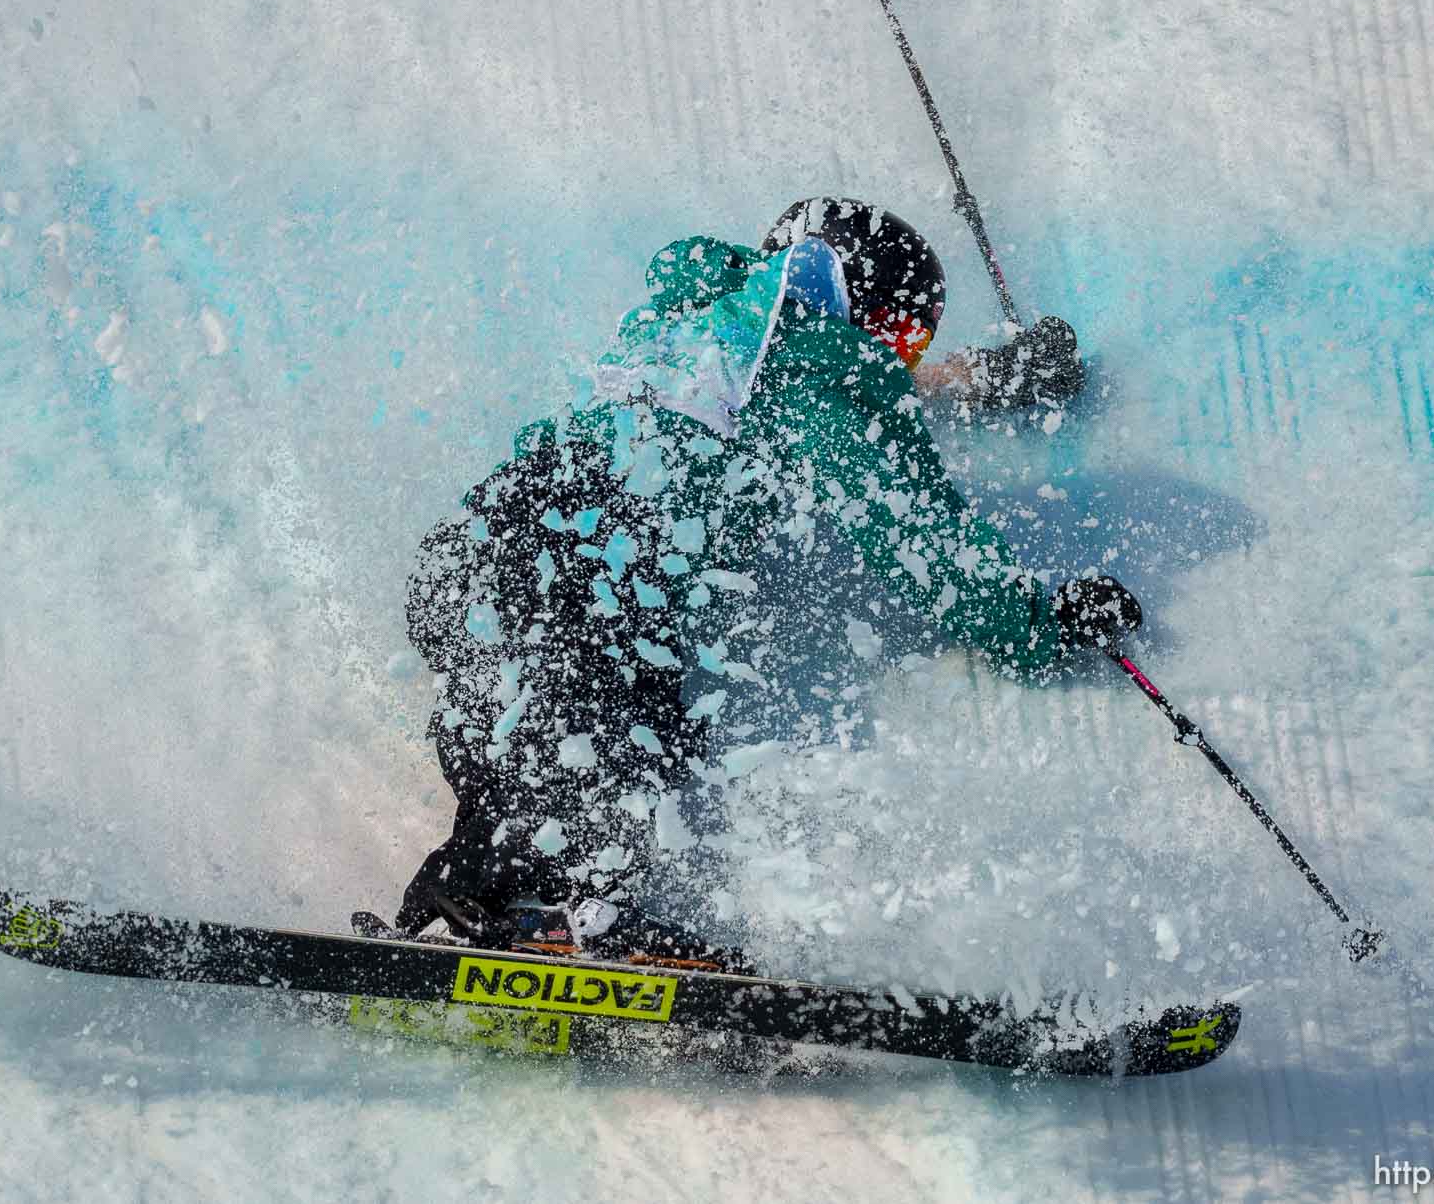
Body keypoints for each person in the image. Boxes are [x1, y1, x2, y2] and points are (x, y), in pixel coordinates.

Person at [388, 197, 1141, 965]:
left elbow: (818, 386)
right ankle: (566, 908)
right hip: (592, 570)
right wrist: (1036, 628)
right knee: (620, 734)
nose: (898, 360)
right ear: (852, 303)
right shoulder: (814, 376)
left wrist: (996, 379)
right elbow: (920, 537)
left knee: (527, 723)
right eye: (902, 334)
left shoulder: (701, 315)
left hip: (477, 554)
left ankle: (466, 896)